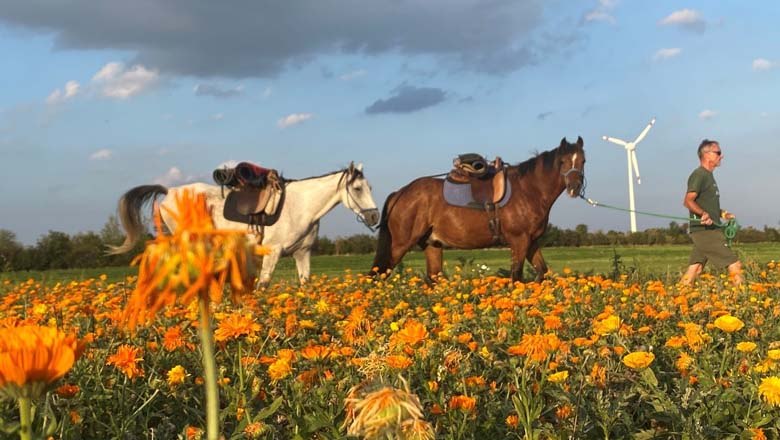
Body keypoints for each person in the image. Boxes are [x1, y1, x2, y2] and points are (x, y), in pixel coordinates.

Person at [681, 139, 743, 286]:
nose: (722, 156)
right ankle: (742, 299)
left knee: (695, 269)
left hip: (706, 230)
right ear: (707, 154)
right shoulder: (699, 175)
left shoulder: (708, 176)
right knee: (735, 264)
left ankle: (675, 299)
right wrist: (703, 214)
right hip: (705, 231)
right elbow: (688, 201)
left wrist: (723, 214)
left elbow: (708, 205)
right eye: (718, 153)